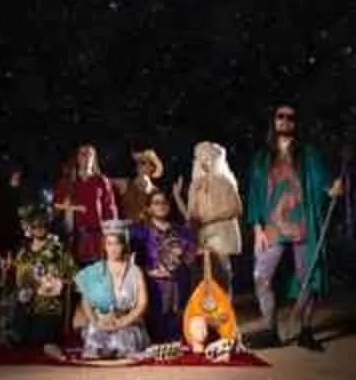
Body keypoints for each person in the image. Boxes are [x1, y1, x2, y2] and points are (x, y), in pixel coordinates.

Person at [246, 104, 342, 351]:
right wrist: (256, 228)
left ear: (296, 122)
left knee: (307, 277)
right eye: (280, 116)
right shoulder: (262, 158)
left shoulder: (308, 154)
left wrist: (333, 189)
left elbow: (325, 185)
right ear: (273, 120)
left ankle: (306, 331)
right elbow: (255, 194)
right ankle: (270, 330)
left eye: (290, 117)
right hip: (272, 227)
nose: (285, 120)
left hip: (303, 225)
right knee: (261, 276)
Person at [0, 206, 76, 349]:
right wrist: (6, 270)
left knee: (38, 340)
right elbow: (11, 281)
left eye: (42, 224)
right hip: (23, 305)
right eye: (35, 225)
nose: (39, 228)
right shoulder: (23, 251)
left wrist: (58, 284)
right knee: (16, 340)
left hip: (47, 306)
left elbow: (73, 278)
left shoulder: (58, 249)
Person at [74, 219, 150, 359]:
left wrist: (123, 321)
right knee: (95, 340)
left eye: (117, 243)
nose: (113, 248)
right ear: (104, 246)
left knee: (123, 342)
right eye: (109, 244)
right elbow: (86, 302)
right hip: (101, 321)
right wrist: (96, 322)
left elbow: (142, 303)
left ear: (123, 245)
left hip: (128, 323)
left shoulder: (135, 271)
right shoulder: (95, 270)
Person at [175, 141, 242, 296]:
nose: (204, 162)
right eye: (201, 158)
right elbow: (191, 215)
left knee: (221, 273)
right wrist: (178, 198)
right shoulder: (195, 185)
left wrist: (210, 217)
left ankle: (225, 305)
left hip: (221, 235)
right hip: (202, 236)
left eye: (208, 157)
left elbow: (236, 208)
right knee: (202, 275)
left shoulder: (225, 182)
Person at [131, 190, 195, 342]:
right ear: (148, 208)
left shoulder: (181, 231)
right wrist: (148, 272)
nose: (161, 206)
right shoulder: (140, 231)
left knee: (177, 332)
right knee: (155, 333)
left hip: (178, 288)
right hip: (153, 288)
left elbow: (190, 258)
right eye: (156, 202)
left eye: (164, 202)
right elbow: (131, 261)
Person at [53, 144, 118, 266]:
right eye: (83, 154)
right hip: (75, 238)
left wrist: (112, 235)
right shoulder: (68, 181)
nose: (87, 158)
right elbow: (56, 204)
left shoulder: (101, 181)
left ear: (94, 158)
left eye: (90, 154)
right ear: (78, 158)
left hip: (98, 238)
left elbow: (110, 209)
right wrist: (75, 208)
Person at [116, 149, 164, 223]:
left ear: (152, 167)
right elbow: (102, 180)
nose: (139, 165)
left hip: (146, 228)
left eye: (143, 163)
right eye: (137, 162)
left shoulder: (155, 191)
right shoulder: (126, 184)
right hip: (127, 227)